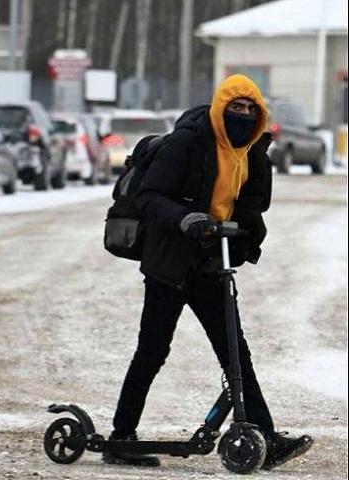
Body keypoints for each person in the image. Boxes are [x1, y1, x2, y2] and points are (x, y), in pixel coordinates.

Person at [104, 74, 312, 469]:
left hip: (212, 263)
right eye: (236, 107)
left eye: (251, 109)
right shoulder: (187, 143)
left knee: (236, 354)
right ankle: (121, 436)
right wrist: (185, 219)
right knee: (152, 350)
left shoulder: (252, 153)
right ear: (220, 108)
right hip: (170, 262)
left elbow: (252, 208)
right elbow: (149, 196)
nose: (243, 115)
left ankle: (260, 435)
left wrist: (249, 233)